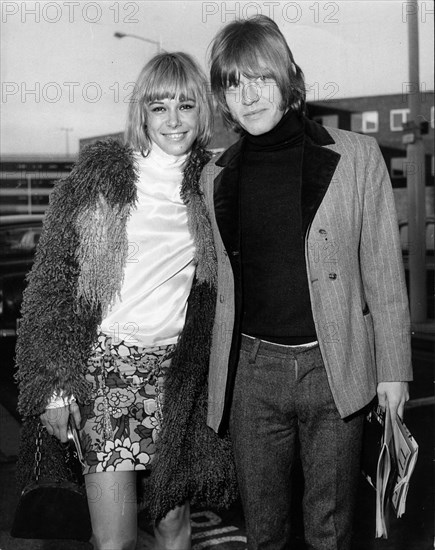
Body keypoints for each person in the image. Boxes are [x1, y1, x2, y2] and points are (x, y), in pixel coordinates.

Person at [202, 15, 413, 549]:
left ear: (288, 78)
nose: (248, 96)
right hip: (250, 375)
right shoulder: (214, 176)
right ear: (223, 98)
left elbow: (384, 274)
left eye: (260, 78)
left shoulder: (357, 156)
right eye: (233, 83)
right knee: (263, 532)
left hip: (334, 367)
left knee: (331, 528)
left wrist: (394, 372)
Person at [15, 52, 236, 550]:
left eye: (185, 105)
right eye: (159, 108)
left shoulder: (215, 183)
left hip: (179, 376)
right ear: (142, 114)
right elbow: (53, 285)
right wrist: (54, 386)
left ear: (204, 111)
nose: (173, 120)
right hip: (107, 370)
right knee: (113, 539)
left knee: (174, 526)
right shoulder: (101, 181)